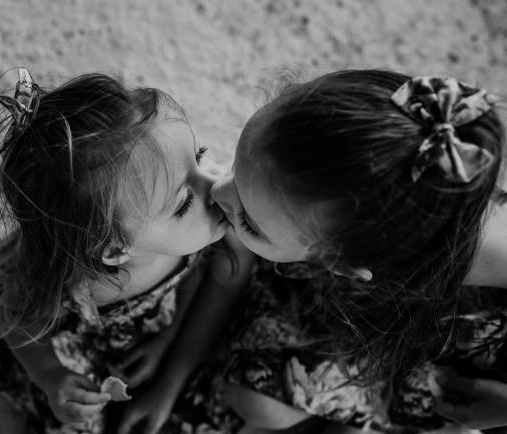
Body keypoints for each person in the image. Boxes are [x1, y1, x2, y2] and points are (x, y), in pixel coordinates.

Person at [0, 68, 253, 434]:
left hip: (149, 335)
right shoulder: (64, 278)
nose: (216, 184)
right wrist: (50, 375)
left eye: (199, 155)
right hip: (71, 343)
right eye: (183, 202)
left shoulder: (193, 229)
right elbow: (17, 320)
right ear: (115, 251)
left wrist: (167, 341)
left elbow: (197, 275)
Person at [210, 70, 507, 433]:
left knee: (257, 399)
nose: (215, 191)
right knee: (259, 400)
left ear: (349, 269)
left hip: (464, 375)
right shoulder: (407, 165)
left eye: (250, 223)